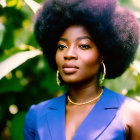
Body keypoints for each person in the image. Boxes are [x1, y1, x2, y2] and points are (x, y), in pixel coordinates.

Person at [24, 0, 140, 139]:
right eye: (62, 46)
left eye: (83, 46)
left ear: (104, 55)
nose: (69, 54)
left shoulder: (131, 114)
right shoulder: (37, 116)